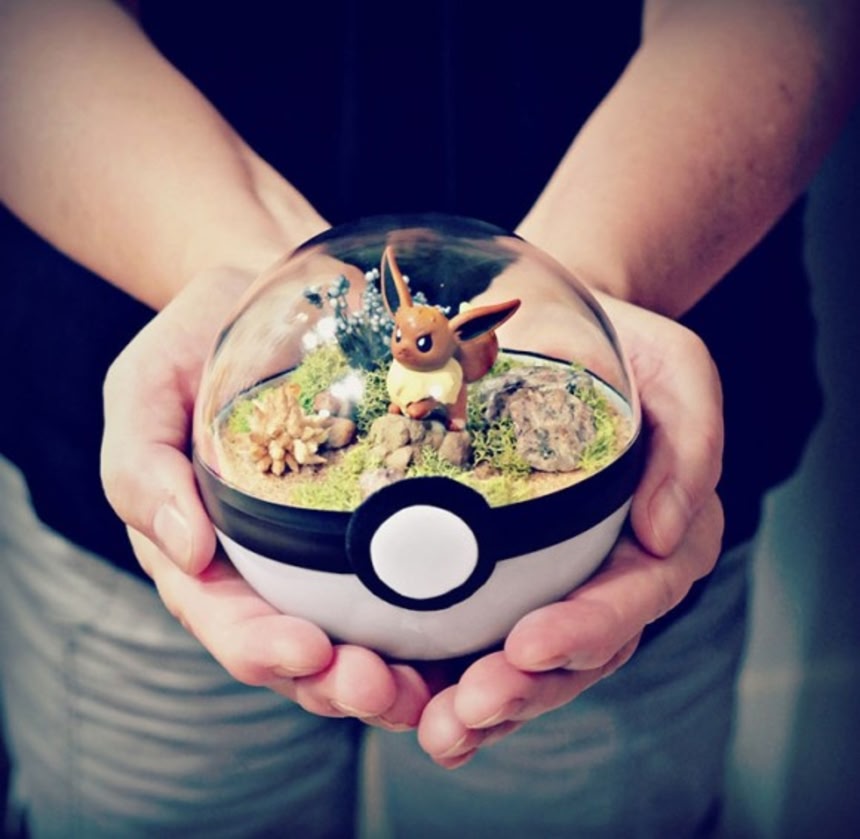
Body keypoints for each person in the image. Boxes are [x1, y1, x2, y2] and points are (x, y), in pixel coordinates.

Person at [0, 1, 857, 836]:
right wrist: (251, 286)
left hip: (603, 503)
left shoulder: (477, 364)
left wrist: (593, 279)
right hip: (144, 416)